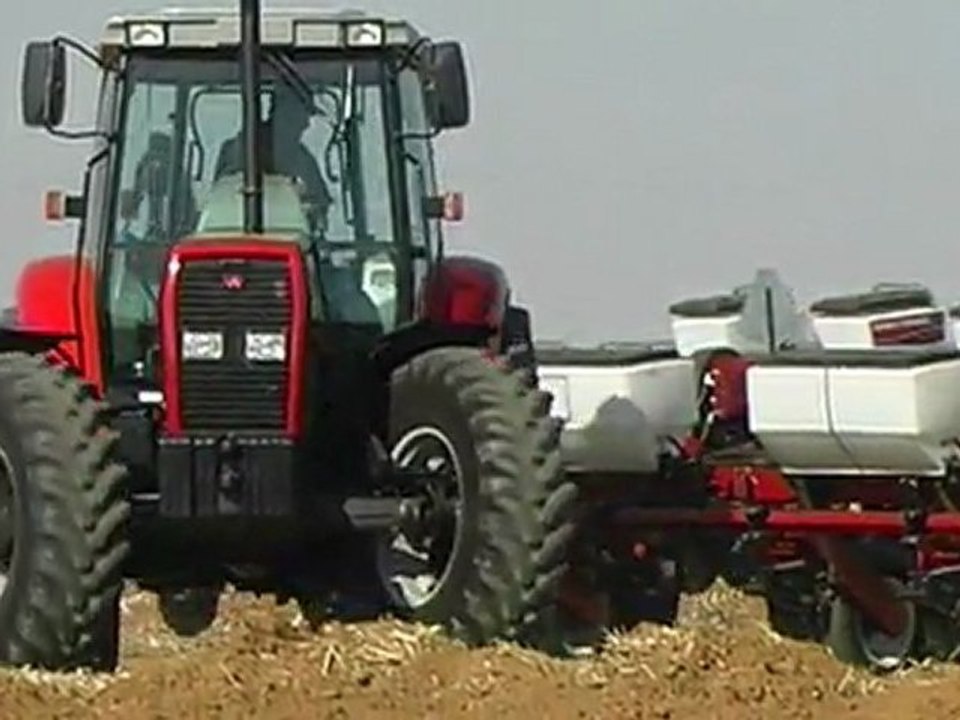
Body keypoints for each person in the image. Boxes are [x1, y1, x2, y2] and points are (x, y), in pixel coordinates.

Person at [213, 83, 333, 229]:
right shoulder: (235, 152)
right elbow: (220, 200)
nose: (306, 124)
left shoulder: (303, 160)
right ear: (282, 113)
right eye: (301, 115)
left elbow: (321, 203)